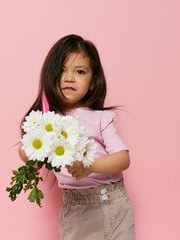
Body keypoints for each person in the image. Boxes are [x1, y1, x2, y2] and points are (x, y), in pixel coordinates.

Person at [18, 34, 135, 240]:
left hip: (114, 205)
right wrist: (34, 145)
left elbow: (123, 159)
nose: (69, 77)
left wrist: (89, 167)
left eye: (79, 71)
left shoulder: (101, 119)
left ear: (92, 83)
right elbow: (26, 151)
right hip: (77, 213)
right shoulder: (48, 121)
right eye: (61, 70)